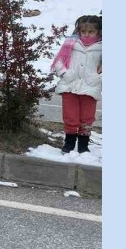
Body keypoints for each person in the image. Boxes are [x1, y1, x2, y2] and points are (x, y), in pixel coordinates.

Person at [51, 15, 102, 154]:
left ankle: (83, 147)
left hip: (90, 87)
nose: (86, 34)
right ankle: (69, 144)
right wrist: (64, 73)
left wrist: (98, 78)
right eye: (83, 31)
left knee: (86, 118)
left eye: (91, 31)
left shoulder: (102, 47)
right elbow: (59, 61)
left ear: (99, 31)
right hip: (69, 86)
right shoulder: (71, 43)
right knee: (70, 116)